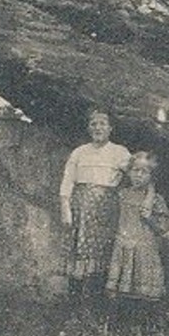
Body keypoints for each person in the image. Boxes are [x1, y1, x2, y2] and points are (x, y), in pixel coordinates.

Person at [104, 150, 169, 333]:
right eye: (135, 171)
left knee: (144, 291)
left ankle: (144, 329)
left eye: (144, 172)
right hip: (123, 246)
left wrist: (150, 218)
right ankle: (120, 330)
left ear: (151, 175)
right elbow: (113, 219)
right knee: (122, 290)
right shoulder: (122, 195)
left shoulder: (155, 200)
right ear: (129, 172)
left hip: (145, 248)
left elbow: (166, 226)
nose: (138, 175)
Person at [58, 107, 131, 299]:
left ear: (110, 128)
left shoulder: (119, 152)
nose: (98, 128)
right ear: (88, 128)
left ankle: (97, 301)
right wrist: (65, 208)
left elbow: (134, 174)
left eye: (102, 124)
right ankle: (74, 301)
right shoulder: (80, 152)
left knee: (103, 252)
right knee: (78, 251)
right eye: (93, 124)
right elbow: (68, 180)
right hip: (80, 208)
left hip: (106, 209)